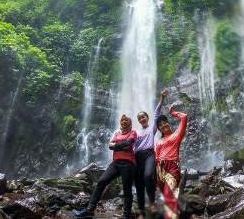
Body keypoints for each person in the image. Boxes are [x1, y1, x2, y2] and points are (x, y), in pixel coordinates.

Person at [75, 115, 137, 219]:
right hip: (116, 163)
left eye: (126, 120)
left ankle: (126, 216)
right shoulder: (117, 133)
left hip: (128, 163)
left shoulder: (133, 132)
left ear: (130, 122)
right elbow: (110, 146)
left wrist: (116, 146)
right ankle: (90, 209)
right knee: (101, 182)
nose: (124, 121)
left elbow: (128, 144)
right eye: (122, 120)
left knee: (127, 190)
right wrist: (119, 145)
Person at [134, 89, 168, 218]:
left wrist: (162, 98)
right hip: (137, 156)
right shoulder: (136, 132)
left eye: (143, 117)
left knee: (148, 176)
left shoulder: (152, 128)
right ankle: (141, 211)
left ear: (147, 118)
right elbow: (131, 145)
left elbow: (157, 113)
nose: (142, 119)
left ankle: (153, 202)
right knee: (138, 184)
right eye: (139, 118)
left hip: (149, 154)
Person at [155, 106, 188, 219]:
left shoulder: (176, 135)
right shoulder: (158, 142)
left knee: (170, 193)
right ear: (159, 130)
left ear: (169, 124)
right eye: (160, 125)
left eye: (165, 123)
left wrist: (173, 112)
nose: (163, 125)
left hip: (172, 165)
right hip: (160, 168)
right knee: (167, 195)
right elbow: (157, 156)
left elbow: (184, 117)